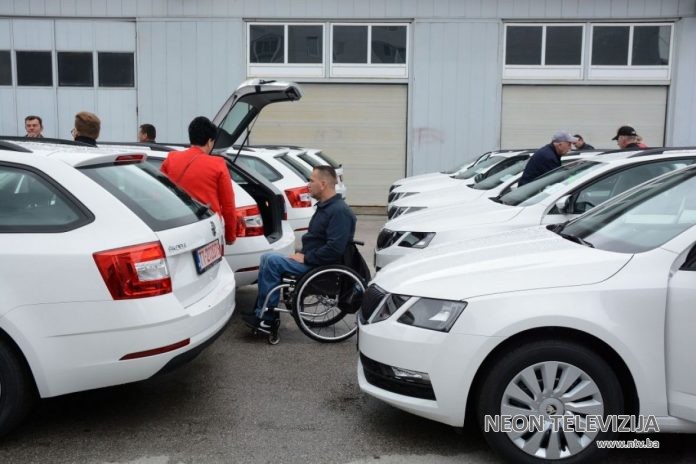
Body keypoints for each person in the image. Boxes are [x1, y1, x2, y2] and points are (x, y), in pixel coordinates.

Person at [243, 165, 356, 330]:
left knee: (271, 261)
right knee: (268, 258)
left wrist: (306, 257)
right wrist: (302, 254)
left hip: (320, 266)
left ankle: (267, 319)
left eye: (311, 180)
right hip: (313, 260)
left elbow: (334, 249)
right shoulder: (327, 207)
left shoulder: (339, 212)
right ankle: (261, 312)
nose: (308, 185)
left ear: (323, 184)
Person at [160, 116, 236, 245]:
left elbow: (158, 191)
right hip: (209, 228)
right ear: (210, 141)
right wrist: (230, 236)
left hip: (177, 227)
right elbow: (228, 204)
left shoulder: (172, 158)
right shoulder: (218, 164)